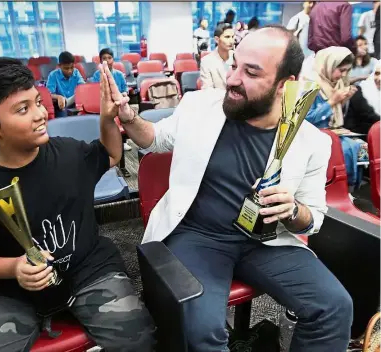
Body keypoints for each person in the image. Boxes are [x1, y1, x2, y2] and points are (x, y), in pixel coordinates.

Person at [101, 26, 353, 352]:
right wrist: (128, 116)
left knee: (334, 306)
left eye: (251, 72)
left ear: (285, 84)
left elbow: (313, 218)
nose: (232, 78)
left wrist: (292, 211)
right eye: (234, 65)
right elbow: (153, 138)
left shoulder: (312, 142)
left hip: (265, 241)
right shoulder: (200, 106)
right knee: (202, 332)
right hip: (196, 237)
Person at [0, 58, 155, 351]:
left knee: (139, 342)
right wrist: (14, 267)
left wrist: (106, 119)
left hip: (90, 269)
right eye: (22, 109)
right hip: (16, 291)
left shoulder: (68, 154)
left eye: (38, 102)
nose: (40, 114)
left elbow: (112, 155)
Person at [304, 47, 368, 187]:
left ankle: (347, 188)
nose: (343, 75)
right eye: (341, 70)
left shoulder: (336, 83)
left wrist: (344, 100)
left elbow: (336, 117)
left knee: (361, 146)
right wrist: (332, 101)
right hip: (312, 135)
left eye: (347, 71)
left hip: (333, 132)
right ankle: (334, 188)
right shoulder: (309, 85)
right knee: (344, 150)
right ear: (328, 65)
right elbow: (306, 119)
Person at [90, 48, 131, 151]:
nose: (107, 60)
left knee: (125, 112)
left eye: (109, 58)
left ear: (113, 60)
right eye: (104, 58)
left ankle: (123, 141)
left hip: (117, 101)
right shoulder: (96, 75)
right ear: (100, 61)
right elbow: (94, 91)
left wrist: (124, 93)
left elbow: (125, 89)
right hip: (102, 102)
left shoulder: (119, 74)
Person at [200, 23, 235, 89]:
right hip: (218, 98)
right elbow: (207, 91)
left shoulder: (237, 57)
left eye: (232, 37)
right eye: (227, 37)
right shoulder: (207, 61)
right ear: (217, 39)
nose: (231, 41)